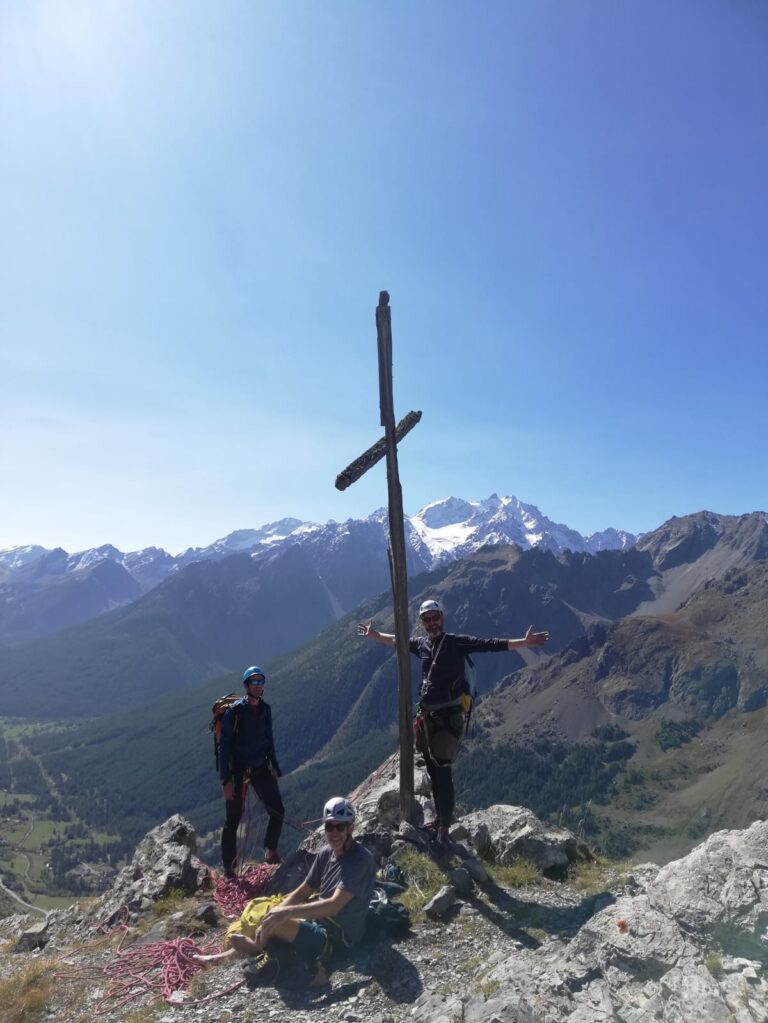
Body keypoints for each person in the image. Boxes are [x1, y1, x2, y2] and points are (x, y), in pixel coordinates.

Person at [358, 598, 549, 850]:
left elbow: (490, 645)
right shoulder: (422, 644)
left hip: (447, 720)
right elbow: (398, 641)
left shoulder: (455, 642)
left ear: (442, 618)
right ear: (423, 623)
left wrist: (523, 643)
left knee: (443, 773)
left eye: (435, 617)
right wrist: (374, 635)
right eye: (427, 619)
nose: (431, 622)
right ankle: (439, 820)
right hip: (427, 718)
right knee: (433, 772)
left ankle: (445, 828)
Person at [195, 796, 376, 988]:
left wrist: (284, 914)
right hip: (320, 923)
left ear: (351, 828)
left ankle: (256, 948)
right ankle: (227, 956)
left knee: (278, 923)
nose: (334, 832)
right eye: (330, 827)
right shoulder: (326, 853)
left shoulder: (360, 860)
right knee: (271, 916)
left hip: (339, 937)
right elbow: (302, 891)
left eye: (341, 827)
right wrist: (275, 912)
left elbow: (333, 906)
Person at [220, 665, 285, 876]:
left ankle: (270, 851)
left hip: (260, 767)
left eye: (261, 681)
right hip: (238, 771)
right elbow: (224, 747)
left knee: (277, 811)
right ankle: (230, 870)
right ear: (247, 685)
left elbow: (269, 740)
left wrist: (274, 767)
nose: (259, 686)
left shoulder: (265, 709)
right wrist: (226, 781)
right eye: (254, 682)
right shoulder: (234, 712)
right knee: (233, 821)